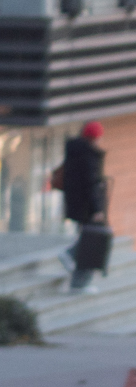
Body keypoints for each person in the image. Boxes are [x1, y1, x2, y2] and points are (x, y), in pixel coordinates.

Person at [60, 121, 109, 292]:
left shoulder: (76, 151)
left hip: (79, 205)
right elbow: (91, 184)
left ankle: (78, 279)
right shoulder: (89, 155)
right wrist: (97, 209)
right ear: (95, 137)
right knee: (91, 242)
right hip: (88, 207)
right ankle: (76, 271)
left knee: (88, 239)